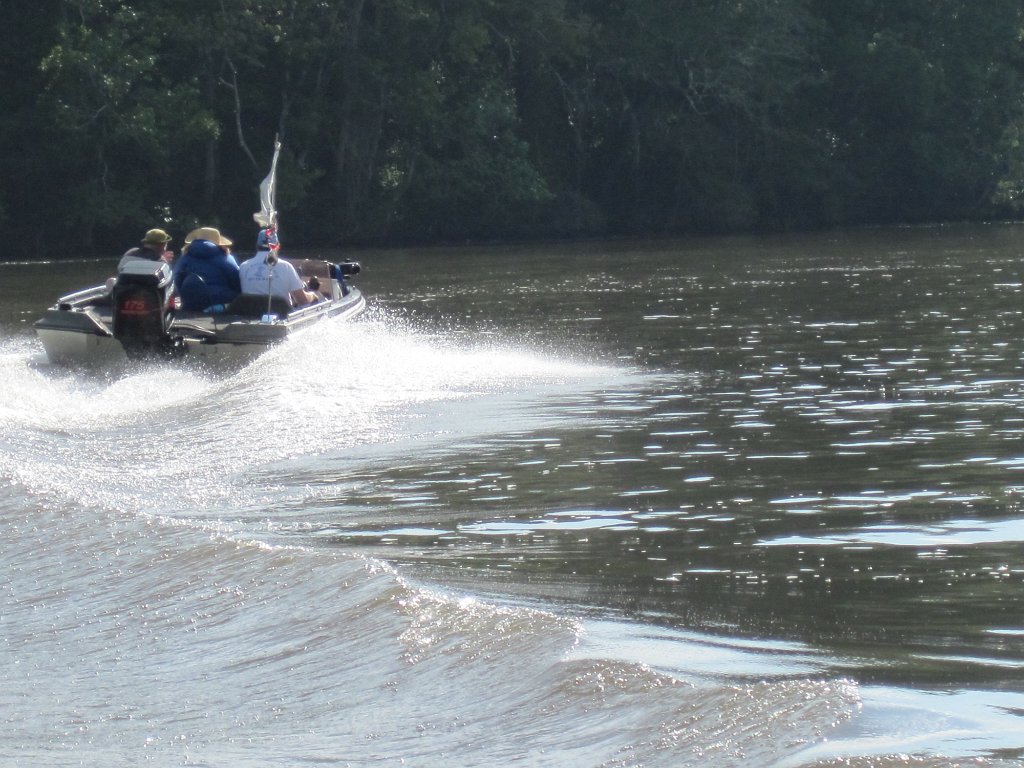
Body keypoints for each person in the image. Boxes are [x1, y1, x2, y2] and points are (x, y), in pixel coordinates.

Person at [238, 227, 320, 307]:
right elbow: (303, 301)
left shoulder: (243, 267)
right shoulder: (285, 267)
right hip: (281, 317)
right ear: (277, 246)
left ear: (257, 246)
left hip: (250, 316)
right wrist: (312, 295)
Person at [171, 227, 241, 312]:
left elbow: (176, 280)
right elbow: (237, 280)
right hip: (219, 300)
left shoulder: (185, 257)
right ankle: (220, 308)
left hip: (189, 302)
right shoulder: (225, 257)